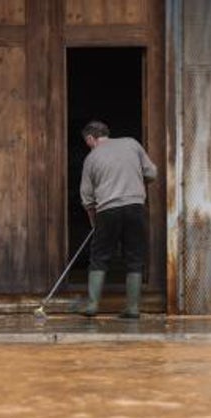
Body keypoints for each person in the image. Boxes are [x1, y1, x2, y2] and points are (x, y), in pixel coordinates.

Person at [77, 121, 157, 318]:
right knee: (135, 256)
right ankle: (133, 308)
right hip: (135, 207)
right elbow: (151, 173)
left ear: (90, 139)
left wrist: (94, 222)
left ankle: (93, 304)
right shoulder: (131, 143)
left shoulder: (91, 158)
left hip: (107, 210)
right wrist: (136, 181)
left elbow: (87, 197)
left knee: (99, 256)